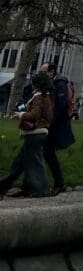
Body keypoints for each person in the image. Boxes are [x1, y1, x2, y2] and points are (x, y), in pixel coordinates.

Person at [0, 71, 54, 199]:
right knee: (20, 163)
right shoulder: (47, 97)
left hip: (34, 133)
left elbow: (34, 114)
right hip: (40, 133)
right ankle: (4, 186)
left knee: (34, 163)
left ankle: (41, 190)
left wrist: (20, 114)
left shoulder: (38, 97)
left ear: (36, 84)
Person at [43, 63, 75, 196]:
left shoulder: (60, 83)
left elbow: (60, 105)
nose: (42, 74)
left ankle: (59, 183)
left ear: (51, 72)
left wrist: (49, 122)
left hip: (55, 125)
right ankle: (32, 183)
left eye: (44, 71)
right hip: (51, 124)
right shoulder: (53, 83)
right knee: (44, 152)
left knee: (47, 152)